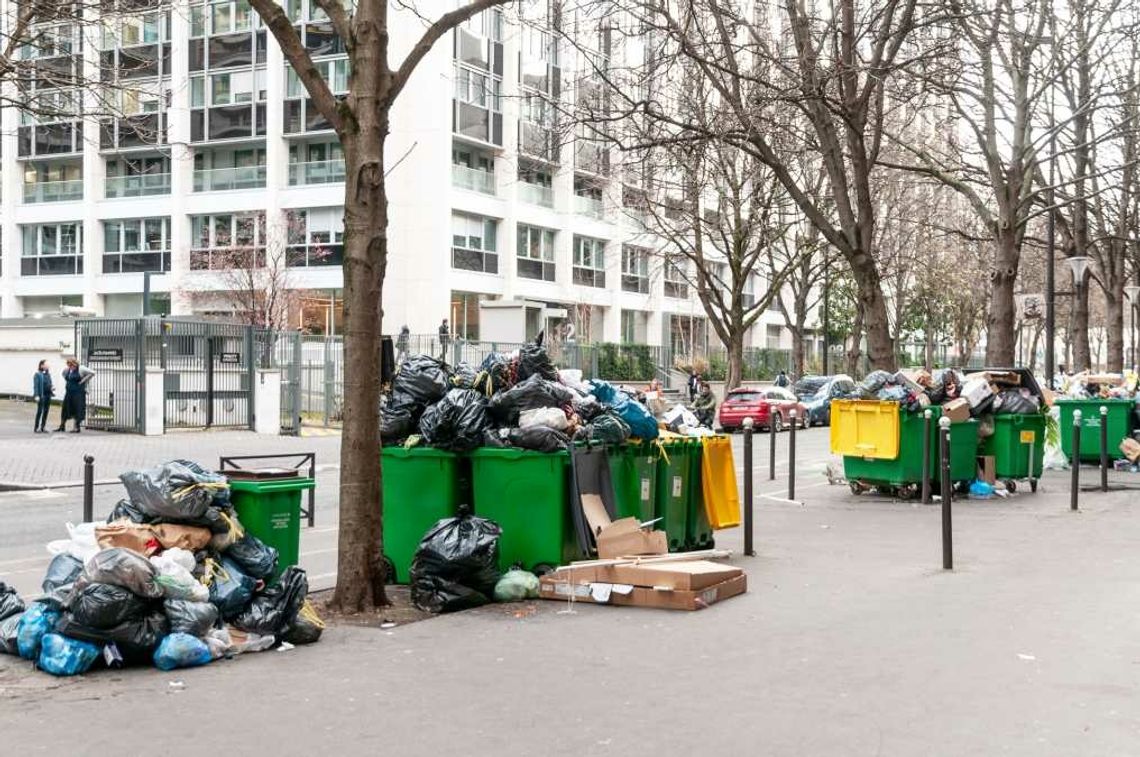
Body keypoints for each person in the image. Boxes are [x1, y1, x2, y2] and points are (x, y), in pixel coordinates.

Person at [57, 358, 95, 433]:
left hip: (78, 393)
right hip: (69, 393)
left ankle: (76, 427)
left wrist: (83, 380)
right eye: (69, 365)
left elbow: (92, 372)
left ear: (75, 364)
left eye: (71, 365)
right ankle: (62, 426)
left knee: (77, 409)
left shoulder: (81, 368)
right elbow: (64, 375)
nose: (70, 366)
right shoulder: (67, 370)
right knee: (65, 408)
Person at [32, 360, 54, 433]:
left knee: (46, 411)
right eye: (46, 365)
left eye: (48, 365)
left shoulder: (48, 374)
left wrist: (51, 387)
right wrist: (36, 395)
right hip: (41, 395)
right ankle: (36, 427)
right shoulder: (37, 374)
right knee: (40, 411)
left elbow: (50, 383)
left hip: (48, 395)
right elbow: (36, 386)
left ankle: (43, 427)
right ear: (41, 365)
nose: (48, 366)